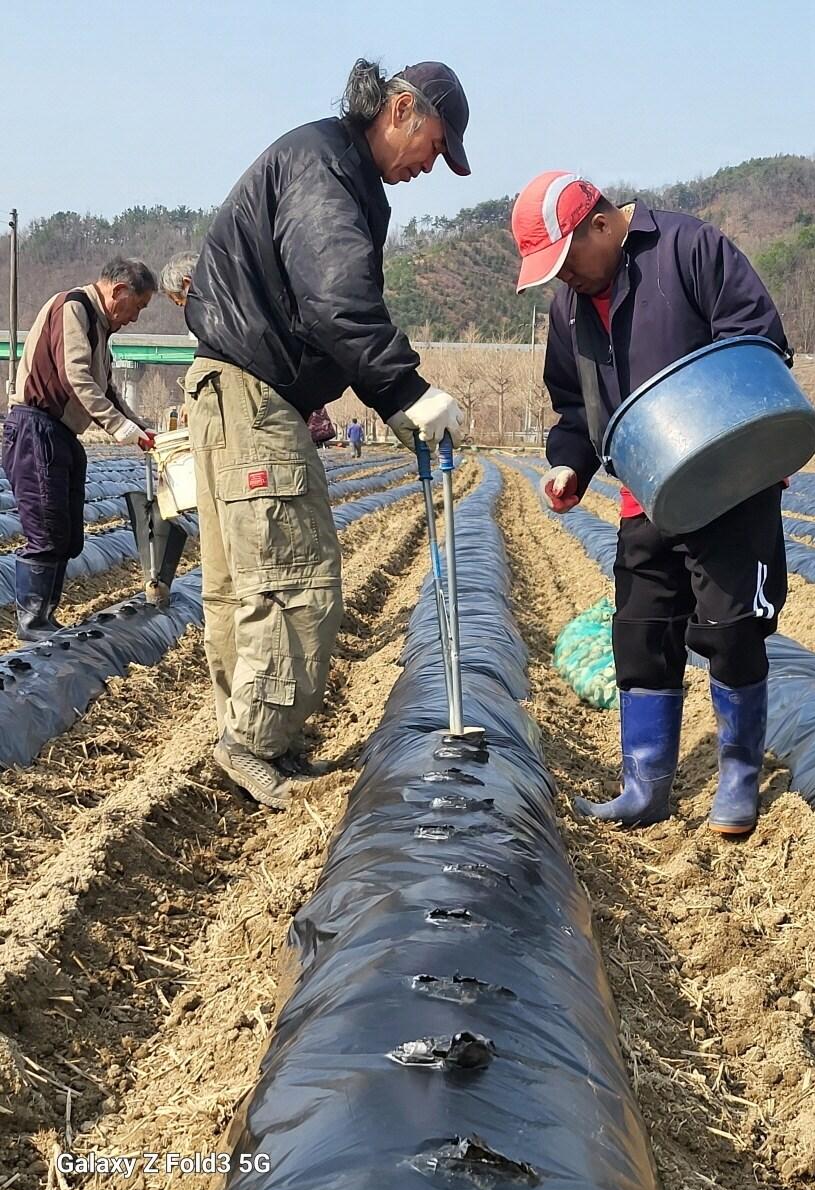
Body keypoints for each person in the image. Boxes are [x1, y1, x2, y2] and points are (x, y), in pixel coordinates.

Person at [182, 58, 468, 809]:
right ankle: (253, 742)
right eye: (435, 146)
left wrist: (391, 397)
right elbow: (337, 303)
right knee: (295, 578)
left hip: (228, 389)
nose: (429, 166)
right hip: (255, 394)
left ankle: (250, 737)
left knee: (244, 582)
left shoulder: (325, 164)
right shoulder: (326, 170)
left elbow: (329, 308)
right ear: (401, 109)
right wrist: (406, 390)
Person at [512, 172, 792, 837]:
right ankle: (645, 784)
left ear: (601, 224)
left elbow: (758, 341)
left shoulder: (690, 250)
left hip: (728, 484)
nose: (565, 278)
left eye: (566, 259)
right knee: (640, 634)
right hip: (646, 492)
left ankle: (738, 775)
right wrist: (568, 465)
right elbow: (574, 409)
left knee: (730, 630)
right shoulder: (569, 311)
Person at [3, 259, 156, 641]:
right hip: (36, 428)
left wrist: (140, 426)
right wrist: (122, 429)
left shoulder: (101, 330)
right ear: (119, 292)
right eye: (137, 307)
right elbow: (77, 377)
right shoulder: (73, 308)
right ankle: (32, 623)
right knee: (47, 529)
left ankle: (46, 617)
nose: (134, 318)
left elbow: (106, 390)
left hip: (62, 434)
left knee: (69, 535)